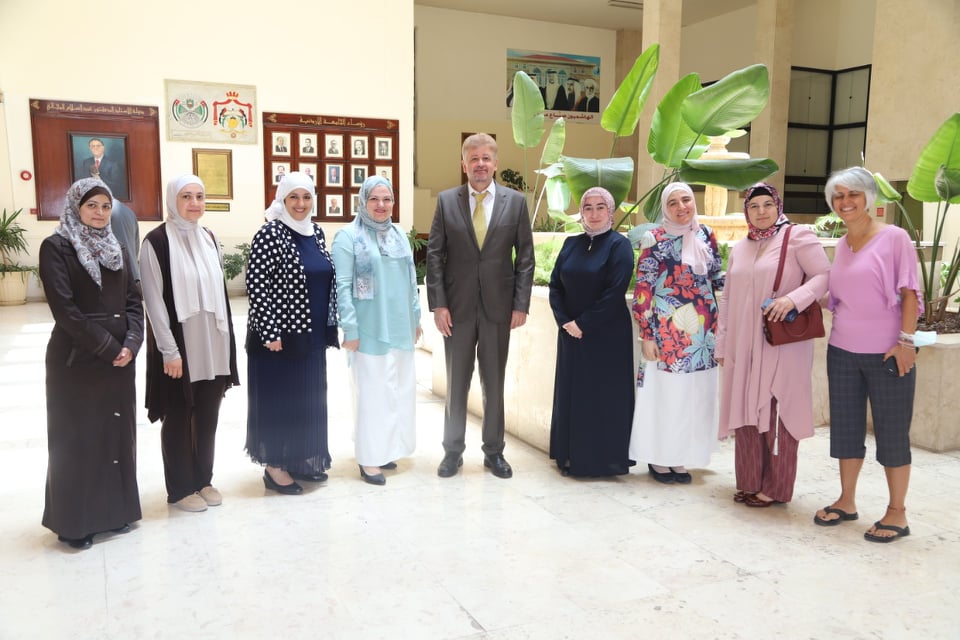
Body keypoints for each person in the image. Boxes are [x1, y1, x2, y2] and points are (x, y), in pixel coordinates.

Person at [813, 167, 921, 542]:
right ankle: (846, 500)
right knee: (845, 428)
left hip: (888, 354)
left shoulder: (894, 238)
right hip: (842, 351)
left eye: (853, 194)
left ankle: (897, 512)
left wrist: (906, 342)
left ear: (868, 198)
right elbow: (840, 297)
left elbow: (910, 292)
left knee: (892, 432)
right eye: (838, 196)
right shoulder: (843, 244)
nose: (845, 202)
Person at [38, 178, 143, 549]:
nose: (100, 213)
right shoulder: (56, 247)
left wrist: (131, 343)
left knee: (114, 435)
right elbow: (65, 310)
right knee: (77, 439)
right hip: (77, 359)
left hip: (119, 359)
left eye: (105, 206)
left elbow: (133, 300)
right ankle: (75, 524)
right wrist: (108, 346)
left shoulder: (117, 246)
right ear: (75, 208)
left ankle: (114, 514)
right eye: (91, 206)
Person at [426, 132, 535, 479]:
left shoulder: (515, 203)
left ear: (496, 163)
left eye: (486, 158)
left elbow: (525, 258)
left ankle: (494, 452)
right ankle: (452, 452)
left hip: (498, 310)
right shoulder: (447, 201)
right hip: (456, 310)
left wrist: (520, 304)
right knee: (457, 384)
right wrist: (439, 304)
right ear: (464, 164)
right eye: (473, 158)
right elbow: (434, 256)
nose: (480, 164)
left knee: (494, 383)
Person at [716, 183, 830, 506]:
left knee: (779, 409)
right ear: (746, 212)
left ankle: (776, 487)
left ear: (778, 206)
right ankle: (750, 480)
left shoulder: (797, 237)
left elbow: (824, 275)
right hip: (744, 345)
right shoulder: (741, 247)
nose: (761, 211)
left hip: (782, 343)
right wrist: (722, 344)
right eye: (754, 206)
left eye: (768, 204)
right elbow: (727, 298)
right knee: (746, 407)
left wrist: (794, 299)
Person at [140, 174, 240, 512]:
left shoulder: (209, 237)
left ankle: (203, 480)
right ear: (173, 200)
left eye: (199, 196)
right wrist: (169, 350)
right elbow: (153, 302)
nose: (194, 203)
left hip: (213, 343)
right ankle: (181, 489)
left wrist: (227, 345)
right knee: (179, 415)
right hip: (180, 346)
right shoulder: (156, 242)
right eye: (186, 196)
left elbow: (220, 294)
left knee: (208, 415)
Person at [245, 172, 339, 495]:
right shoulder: (270, 234)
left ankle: (299, 459)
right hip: (279, 341)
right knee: (281, 402)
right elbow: (257, 285)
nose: (301, 204)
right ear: (282, 200)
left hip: (311, 338)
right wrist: (270, 331)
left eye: (306, 197)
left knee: (306, 401)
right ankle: (275, 467)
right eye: (293, 197)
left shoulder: (316, 232)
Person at [629, 182, 724, 484]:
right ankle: (660, 459)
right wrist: (646, 335)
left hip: (703, 336)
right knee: (667, 397)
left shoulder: (706, 234)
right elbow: (643, 290)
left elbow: (717, 278)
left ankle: (680, 457)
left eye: (686, 200)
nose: (682, 207)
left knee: (694, 398)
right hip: (667, 334)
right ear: (665, 209)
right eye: (673, 203)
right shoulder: (654, 239)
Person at [332, 176, 421, 486]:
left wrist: (416, 319)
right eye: (374, 199)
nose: (381, 205)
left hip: (400, 327)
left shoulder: (399, 235)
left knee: (397, 392)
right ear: (363, 201)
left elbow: (410, 280)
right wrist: (350, 328)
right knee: (372, 395)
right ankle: (369, 458)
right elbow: (342, 287)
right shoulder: (347, 236)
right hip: (369, 329)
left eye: (387, 199)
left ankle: (386, 450)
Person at [548, 187, 635, 477]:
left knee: (602, 397)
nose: (594, 213)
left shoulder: (619, 245)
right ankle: (570, 455)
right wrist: (565, 322)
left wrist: (583, 324)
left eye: (601, 207)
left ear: (610, 211)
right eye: (588, 207)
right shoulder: (571, 244)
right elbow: (555, 286)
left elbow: (614, 291)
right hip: (570, 334)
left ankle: (600, 461)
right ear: (581, 212)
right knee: (573, 394)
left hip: (606, 336)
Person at [110, 199, 141, 288]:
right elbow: (136, 247)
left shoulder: (103, 213)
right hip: (134, 277)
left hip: (117, 280)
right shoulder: (129, 212)